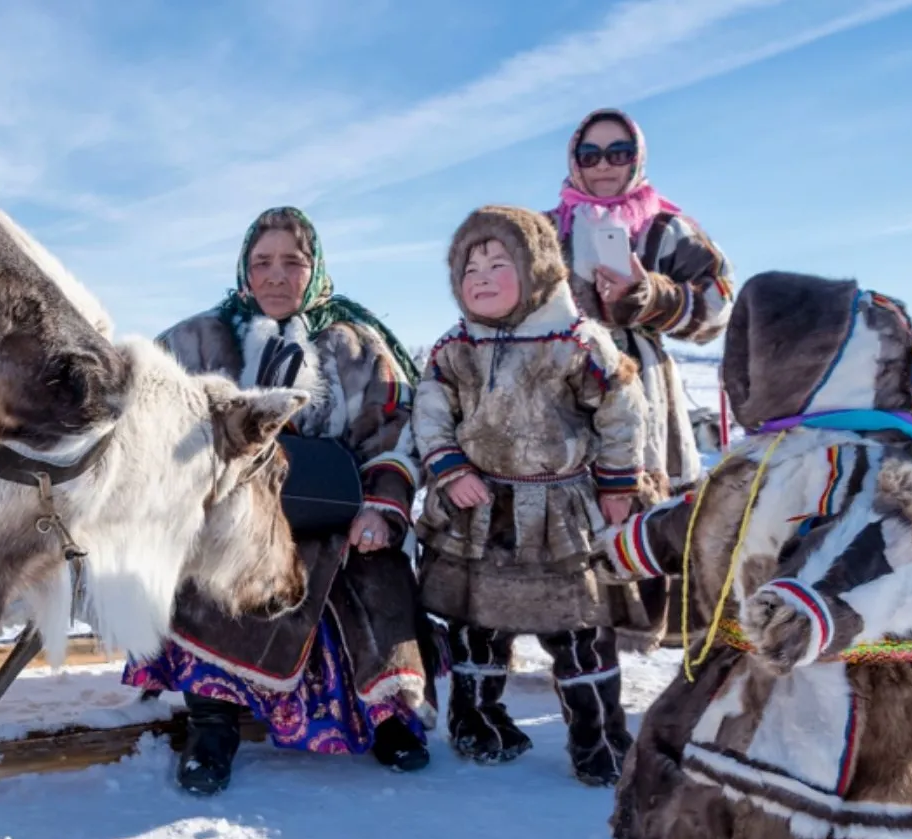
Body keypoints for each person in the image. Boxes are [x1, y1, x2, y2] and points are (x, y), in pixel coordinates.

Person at [598, 271, 912, 839]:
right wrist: (633, 545)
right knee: (720, 795)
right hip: (744, 671)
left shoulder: (876, 458)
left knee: (839, 834)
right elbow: (703, 518)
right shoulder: (765, 454)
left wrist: (821, 607)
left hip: (859, 689)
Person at [122, 206, 439, 796]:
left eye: (291, 262)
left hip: (333, 513)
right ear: (244, 271)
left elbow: (395, 434)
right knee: (208, 573)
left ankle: (386, 716)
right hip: (234, 519)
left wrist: (380, 508)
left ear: (314, 271)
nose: (275, 276)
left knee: (378, 576)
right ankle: (211, 725)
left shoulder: (357, 345)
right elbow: (146, 419)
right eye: (261, 262)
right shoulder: (196, 340)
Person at [411, 205, 648, 786]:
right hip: (479, 513)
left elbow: (621, 410)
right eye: (470, 267)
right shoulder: (454, 348)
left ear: (537, 268)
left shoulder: (576, 340)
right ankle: (479, 723)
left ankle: (598, 741)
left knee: (580, 630)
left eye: (499, 262)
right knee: (477, 625)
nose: (483, 277)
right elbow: (432, 415)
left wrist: (619, 483)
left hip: (560, 512)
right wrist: (448, 469)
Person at [551, 108, 735, 651]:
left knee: (647, 502)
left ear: (638, 158)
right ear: (573, 161)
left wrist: (653, 295)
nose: (604, 165)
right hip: (562, 382)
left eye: (619, 153)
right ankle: (574, 640)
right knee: (566, 505)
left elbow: (721, 301)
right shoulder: (547, 229)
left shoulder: (666, 228)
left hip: (643, 386)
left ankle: (656, 628)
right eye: (591, 154)